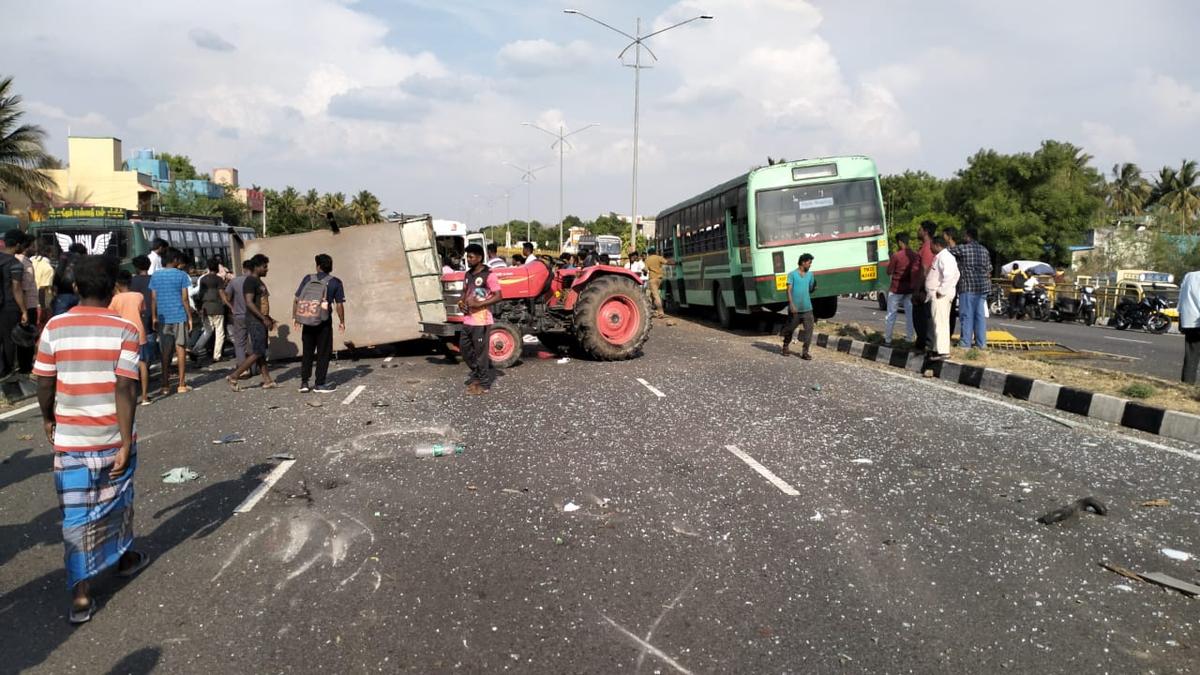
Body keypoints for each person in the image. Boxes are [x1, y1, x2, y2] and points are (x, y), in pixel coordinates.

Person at [34, 254, 149, 625]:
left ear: (77, 288)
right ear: (114, 288)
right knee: (118, 501)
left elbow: (45, 380)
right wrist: (125, 442)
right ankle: (124, 558)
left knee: (76, 514)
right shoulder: (125, 329)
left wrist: (47, 415)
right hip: (113, 436)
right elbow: (125, 386)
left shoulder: (54, 327)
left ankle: (81, 593)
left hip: (72, 439)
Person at [292, 253, 346, 393]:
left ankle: (304, 383)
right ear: (330, 267)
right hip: (324, 322)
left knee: (307, 352)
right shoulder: (336, 282)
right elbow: (339, 304)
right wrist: (342, 321)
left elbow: (297, 299)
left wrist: (296, 318)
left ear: (318, 266)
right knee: (323, 352)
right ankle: (319, 384)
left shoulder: (308, 279)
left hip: (307, 320)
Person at [226, 255, 278, 390]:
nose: (267, 269)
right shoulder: (250, 281)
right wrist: (263, 318)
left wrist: (268, 317)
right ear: (257, 267)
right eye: (264, 266)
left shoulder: (259, 282)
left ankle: (267, 380)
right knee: (258, 351)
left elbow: (261, 303)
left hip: (260, 319)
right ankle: (234, 376)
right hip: (255, 321)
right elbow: (249, 302)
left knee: (260, 350)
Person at [457, 243, 501, 395]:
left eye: (471, 256)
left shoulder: (489, 274)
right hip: (468, 320)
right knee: (465, 350)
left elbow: (498, 296)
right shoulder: (468, 274)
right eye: (467, 256)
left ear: (480, 257)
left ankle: (484, 383)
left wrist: (479, 303)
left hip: (481, 321)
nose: (468, 259)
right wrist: (461, 302)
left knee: (481, 354)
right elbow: (464, 292)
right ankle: (477, 373)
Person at [149, 248, 194, 395]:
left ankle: (165, 385)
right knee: (180, 348)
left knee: (165, 352)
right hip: (179, 316)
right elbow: (185, 298)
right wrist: (190, 317)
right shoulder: (182, 275)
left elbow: (154, 298)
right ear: (175, 260)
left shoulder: (155, 276)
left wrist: (154, 317)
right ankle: (181, 384)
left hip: (163, 317)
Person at [110, 271, 152, 406]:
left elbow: (111, 314)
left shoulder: (115, 299)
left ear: (116, 284)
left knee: (122, 366)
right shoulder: (138, 296)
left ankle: (126, 396)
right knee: (143, 363)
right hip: (139, 331)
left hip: (122, 334)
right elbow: (142, 311)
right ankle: (145, 396)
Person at [0, 230, 30, 382]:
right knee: (8, 339)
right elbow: (16, 288)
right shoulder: (14, 263)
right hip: (9, 306)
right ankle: (7, 373)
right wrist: (24, 311)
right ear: (18, 245)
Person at [954, 227, 991, 349]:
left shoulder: (963, 249)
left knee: (966, 315)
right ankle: (981, 343)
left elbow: (948, 251)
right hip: (983, 287)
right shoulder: (984, 250)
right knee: (979, 315)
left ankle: (965, 343)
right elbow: (989, 268)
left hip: (968, 286)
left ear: (968, 236)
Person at [926, 236, 960, 360]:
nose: (929, 248)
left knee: (940, 322)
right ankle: (937, 349)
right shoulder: (942, 257)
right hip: (939, 295)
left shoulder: (946, 257)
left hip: (941, 295)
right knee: (938, 322)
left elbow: (951, 276)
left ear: (936, 245)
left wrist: (941, 291)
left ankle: (943, 351)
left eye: (931, 245)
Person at [9, 231, 38, 373]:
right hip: (28, 305)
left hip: (20, 305)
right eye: (32, 245)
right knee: (27, 338)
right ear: (27, 246)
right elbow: (24, 288)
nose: (34, 248)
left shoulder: (12, 259)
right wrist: (24, 310)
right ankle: (25, 367)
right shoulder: (24, 263)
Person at [884, 233, 919, 345]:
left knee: (891, 315)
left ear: (900, 242)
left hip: (896, 289)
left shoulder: (896, 256)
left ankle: (888, 340)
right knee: (910, 316)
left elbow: (889, 271)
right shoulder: (915, 255)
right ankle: (910, 338)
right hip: (909, 289)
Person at [780, 253, 816, 359]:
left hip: (807, 308)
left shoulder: (810, 275)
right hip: (794, 308)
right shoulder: (792, 275)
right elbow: (789, 290)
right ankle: (786, 345)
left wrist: (814, 287)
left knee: (809, 331)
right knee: (790, 329)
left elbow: (810, 289)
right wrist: (791, 304)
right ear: (803, 262)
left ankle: (805, 352)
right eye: (809, 263)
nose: (810, 265)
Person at [192, 258, 227, 363]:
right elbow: (222, 294)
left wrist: (200, 308)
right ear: (217, 268)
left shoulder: (203, 279)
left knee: (207, 331)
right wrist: (228, 303)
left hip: (206, 307)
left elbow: (199, 295)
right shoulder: (218, 279)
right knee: (220, 332)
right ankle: (217, 355)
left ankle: (195, 350)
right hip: (217, 307)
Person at [223, 258, 254, 371]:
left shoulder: (234, 281)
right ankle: (254, 368)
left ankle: (243, 369)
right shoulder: (256, 281)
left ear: (243, 269)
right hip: (254, 316)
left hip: (239, 315)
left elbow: (226, 296)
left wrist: (232, 307)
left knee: (240, 343)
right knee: (252, 342)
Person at [911, 221, 937, 350]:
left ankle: (924, 345)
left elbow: (924, 269)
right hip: (922, 287)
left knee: (922, 319)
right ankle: (921, 343)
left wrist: (917, 290)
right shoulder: (925, 247)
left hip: (922, 289)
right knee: (920, 319)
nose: (918, 231)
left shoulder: (927, 248)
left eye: (920, 229)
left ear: (925, 231)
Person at [1179, 270, 1199, 385]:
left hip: (1189, 321)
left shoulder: (1189, 276)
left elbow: (1181, 297)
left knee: (1191, 356)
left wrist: (1181, 319)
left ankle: (1187, 385)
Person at [31, 240, 56, 322]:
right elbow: (42, 289)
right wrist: (43, 308)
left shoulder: (30, 261)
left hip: (28, 303)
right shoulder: (48, 268)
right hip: (40, 305)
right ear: (50, 254)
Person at [643, 247, 670, 318]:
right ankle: (652, 310)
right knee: (652, 295)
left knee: (656, 295)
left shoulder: (647, 259)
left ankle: (661, 312)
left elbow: (645, 270)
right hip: (660, 279)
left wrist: (644, 271)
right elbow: (667, 262)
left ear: (649, 253)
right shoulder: (659, 257)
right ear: (655, 252)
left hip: (653, 279)